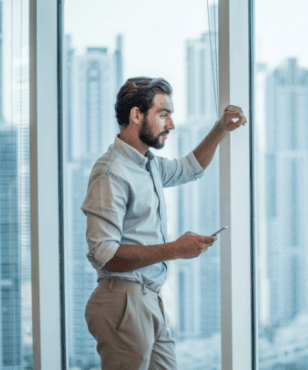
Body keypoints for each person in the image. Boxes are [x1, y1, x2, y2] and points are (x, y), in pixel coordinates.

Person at [82, 77, 247, 370]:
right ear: (136, 115)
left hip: (147, 298)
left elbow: (189, 168)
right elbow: (104, 254)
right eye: (163, 114)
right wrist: (176, 249)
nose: (170, 124)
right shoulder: (111, 173)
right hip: (124, 300)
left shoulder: (149, 166)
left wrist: (220, 128)